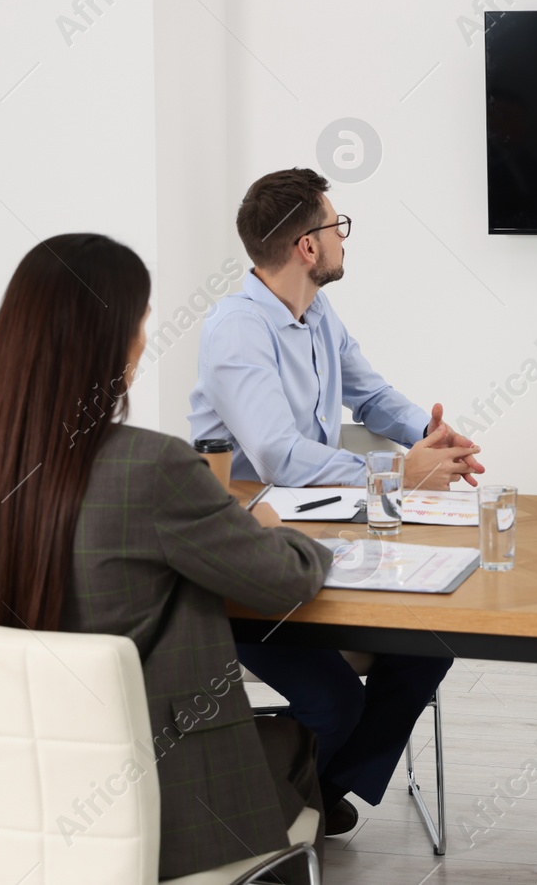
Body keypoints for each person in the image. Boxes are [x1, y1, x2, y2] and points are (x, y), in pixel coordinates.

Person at [0, 233, 332, 880]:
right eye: (140, 323)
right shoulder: (154, 466)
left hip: (8, 789)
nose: (144, 341)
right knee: (299, 740)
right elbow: (285, 579)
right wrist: (276, 527)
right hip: (162, 805)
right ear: (112, 342)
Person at [190, 168, 476, 836]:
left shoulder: (316, 312)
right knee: (336, 701)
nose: (343, 237)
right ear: (307, 247)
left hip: (324, 543)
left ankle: (312, 796)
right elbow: (279, 455)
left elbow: (371, 394)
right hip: (246, 560)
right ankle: (281, 815)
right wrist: (400, 472)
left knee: (428, 646)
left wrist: (431, 437)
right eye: (334, 224)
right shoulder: (236, 330)